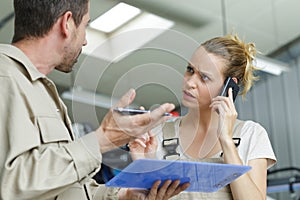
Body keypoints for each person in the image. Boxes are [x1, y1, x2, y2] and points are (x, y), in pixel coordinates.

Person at [0, 0, 190, 199]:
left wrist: (125, 195)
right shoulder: (5, 77)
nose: (84, 41)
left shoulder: (42, 92)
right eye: (85, 26)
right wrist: (103, 139)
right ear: (67, 23)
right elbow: (12, 183)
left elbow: (64, 189)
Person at [128, 34, 277, 199]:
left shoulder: (250, 135)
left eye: (204, 77)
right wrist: (143, 163)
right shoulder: (157, 135)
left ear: (229, 87)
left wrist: (226, 141)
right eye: (190, 70)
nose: (190, 82)